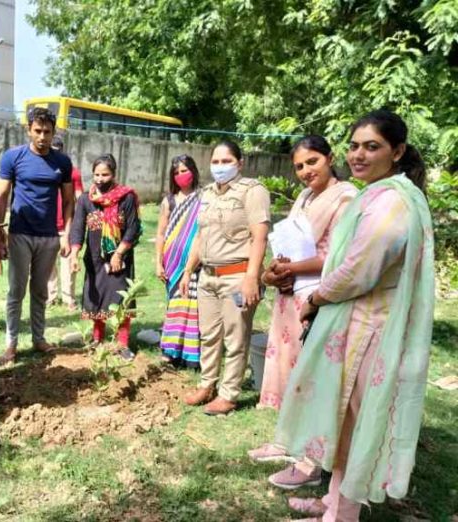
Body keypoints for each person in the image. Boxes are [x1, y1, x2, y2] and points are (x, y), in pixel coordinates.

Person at [273, 110, 434, 521]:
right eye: (355, 145)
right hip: (356, 325)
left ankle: (341, 515)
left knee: (355, 422)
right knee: (344, 421)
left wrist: (315, 299)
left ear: (396, 151)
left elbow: (360, 269)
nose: (359, 154)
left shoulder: (393, 201)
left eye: (372, 146)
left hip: (371, 331)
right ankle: (333, 501)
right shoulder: (377, 193)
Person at [247, 136, 358, 489]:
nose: (306, 171)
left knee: (314, 378)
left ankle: (310, 463)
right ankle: (287, 441)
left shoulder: (346, 198)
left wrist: (291, 270)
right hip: (290, 296)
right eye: (299, 166)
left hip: (320, 298)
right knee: (289, 369)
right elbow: (289, 243)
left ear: (330, 158)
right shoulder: (305, 197)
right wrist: (277, 271)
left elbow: (337, 257)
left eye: (312, 162)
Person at [180, 141, 270, 415]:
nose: (220, 167)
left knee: (236, 337)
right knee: (208, 334)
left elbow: (260, 236)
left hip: (237, 276)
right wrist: (188, 271)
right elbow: (200, 235)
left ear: (239, 163)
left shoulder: (252, 191)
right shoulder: (207, 193)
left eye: (226, 161)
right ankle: (207, 384)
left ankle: (229, 394)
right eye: (216, 162)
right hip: (207, 276)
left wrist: (252, 277)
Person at [0, 108, 74, 364]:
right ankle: (11, 343)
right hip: (20, 234)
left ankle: (39, 339)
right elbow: (1, 196)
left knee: (40, 291)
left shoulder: (62, 162)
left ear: (54, 133)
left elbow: (69, 201)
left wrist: (66, 235)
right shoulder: (12, 158)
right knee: (16, 291)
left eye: (47, 132)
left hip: (49, 236)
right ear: (28, 129)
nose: (42, 137)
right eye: (37, 131)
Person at [69, 154, 141, 361]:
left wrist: (119, 254)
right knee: (96, 297)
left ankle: (122, 344)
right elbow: (77, 227)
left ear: (114, 174)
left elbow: (132, 228)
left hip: (121, 257)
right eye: (96, 175)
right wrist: (74, 254)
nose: (100, 179)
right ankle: (97, 338)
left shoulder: (126, 197)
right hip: (94, 259)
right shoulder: (85, 199)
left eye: (105, 174)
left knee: (121, 298)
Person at [155, 154, 202, 368]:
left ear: (193, 171)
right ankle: (169, 350)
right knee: (174, 305)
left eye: (184, 170)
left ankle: (190, 354)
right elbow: (161, 233)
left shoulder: (203, 197)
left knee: (192, 305)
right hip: (172, 262)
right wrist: (158, 262)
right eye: (176, 173)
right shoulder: (169, 201)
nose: (181, 175)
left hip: (194, 262)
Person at [47, 135, 84, 310]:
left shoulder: (72, 172)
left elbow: (78, 197)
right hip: (47, 225)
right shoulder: (43, 170)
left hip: (67, 225)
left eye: (57, 151)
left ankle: (69, 298)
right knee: (48, 263)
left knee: (68, 263)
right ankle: (51, 296)